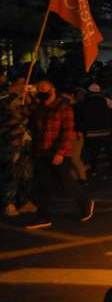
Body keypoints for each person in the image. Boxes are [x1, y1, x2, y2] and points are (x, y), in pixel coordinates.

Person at [27, 80, 94, 228]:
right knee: (42, 185)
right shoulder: (38, 108)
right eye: (39, 90)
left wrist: (61, 152)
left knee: (66, 182)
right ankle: (44, 216)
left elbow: (67, 132)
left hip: (57, 152)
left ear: (53, 91)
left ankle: (85, 203)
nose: (41, 92)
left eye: (44, 90)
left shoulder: (63, 107)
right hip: (41, 151)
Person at [0, 77, 36, 217]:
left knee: (26, 172)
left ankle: (23, 201)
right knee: (11, 173)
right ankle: (8, 203)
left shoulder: (18, 101)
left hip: (24, 140)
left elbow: (29, 110)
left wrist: (29, 96)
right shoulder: (5, 98)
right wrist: (13, 92)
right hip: (9, 141)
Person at [80, 83, 112, 179]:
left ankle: (93, 169)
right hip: (104, 130)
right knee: (108, 149)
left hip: (91, 132)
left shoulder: (84, 102)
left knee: (94, 152)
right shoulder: (104, 100)